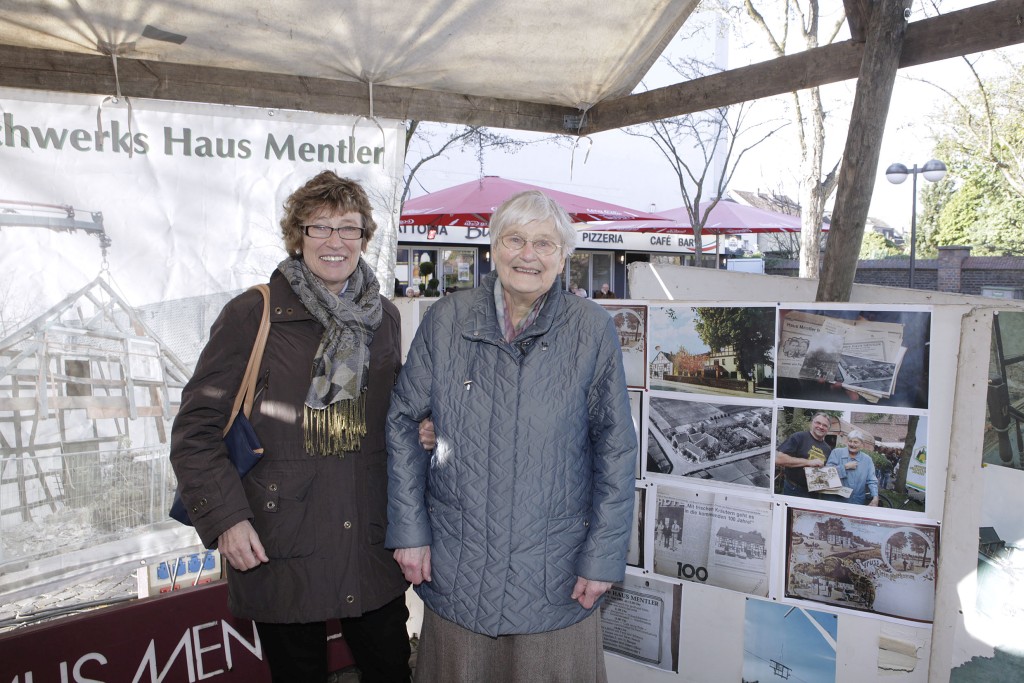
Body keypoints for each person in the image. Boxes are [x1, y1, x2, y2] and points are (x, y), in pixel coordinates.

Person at [386, 189, 637, 683]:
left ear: (563, 257)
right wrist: (410, 533)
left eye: (544, 243)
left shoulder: (590, 330)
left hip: (556, 572)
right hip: (460, 565)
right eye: (515, 239)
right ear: (493, 247)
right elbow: (403, 423)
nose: (528, 255)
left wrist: (603, 558)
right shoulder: (447, 319)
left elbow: (616, 450)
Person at [170, 171, 411, 683]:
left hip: (368, 538)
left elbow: (397, 416)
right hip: (281, 538)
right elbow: (196, 430)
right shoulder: (253, 313)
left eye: (348, 228)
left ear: (364, 237)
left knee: (390, 669)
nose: (334, 241)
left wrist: (422, 428)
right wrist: (227, 520)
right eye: (319, 227)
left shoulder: (384, 317)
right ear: (297, 236)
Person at [775, 412, 831, 498]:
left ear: (828, 429)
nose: (821, 427)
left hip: (814, 493)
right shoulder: (799, 437)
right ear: (812, 423)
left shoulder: (827, 448)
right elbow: (779, 459)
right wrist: (808, 462)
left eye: (825, 425)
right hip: (794, 490)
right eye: (818, 423)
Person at [820, 430, 879, 506]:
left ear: (862, 444)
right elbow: (826, 475)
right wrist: (845, 467)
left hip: (856, 502)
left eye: (855, 442)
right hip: (836, 501)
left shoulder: (867, 460)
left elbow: (872, 480)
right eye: (850, 441)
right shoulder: (836, 453)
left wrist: (875, 496)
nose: (852, 444)